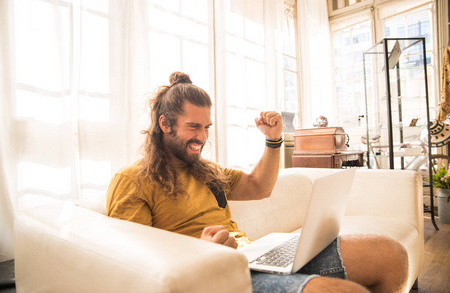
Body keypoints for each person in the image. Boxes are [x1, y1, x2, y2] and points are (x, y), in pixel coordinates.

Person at [106, 72, 408, 293]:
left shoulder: (205, 171)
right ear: (165, 124)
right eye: (193, 127)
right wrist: (198, 251)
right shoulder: (133, 180)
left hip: (255, 256)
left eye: (207, 127)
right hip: (216, 278)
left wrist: (273, 139)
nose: (202, 137)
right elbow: (132, 266)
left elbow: (259, 186)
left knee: (390, 255)